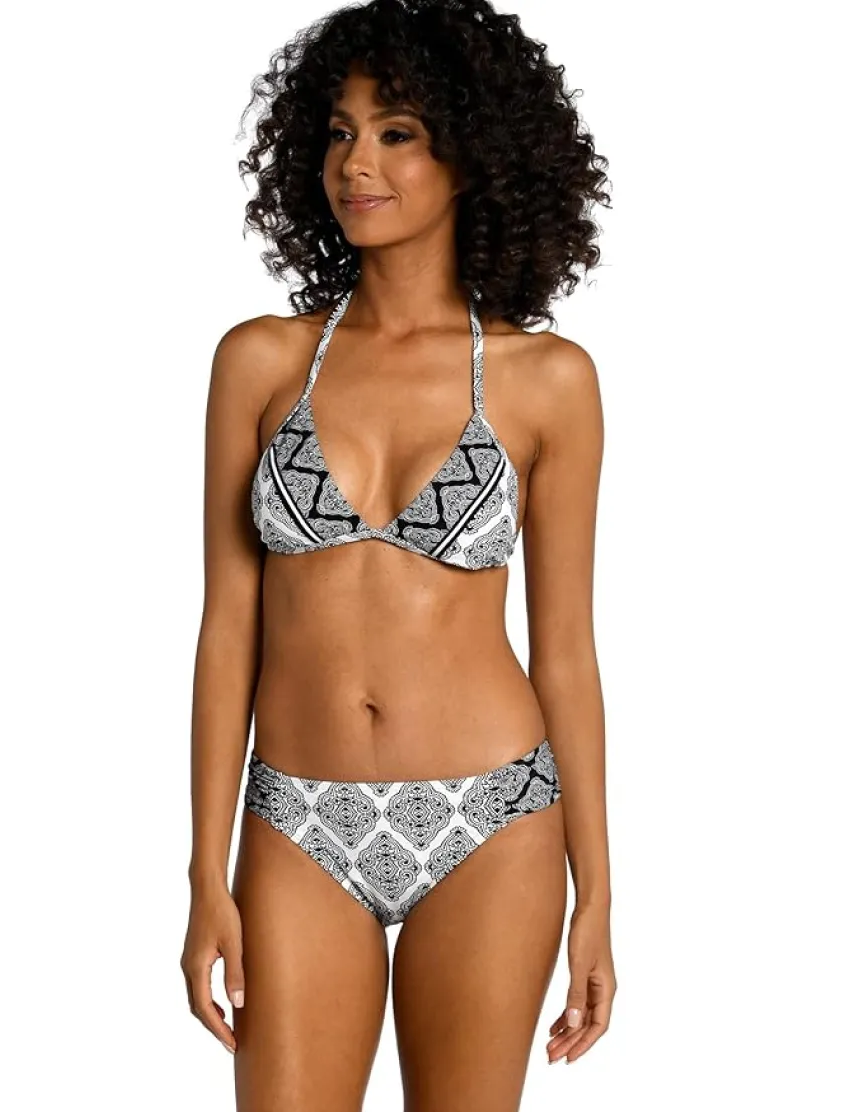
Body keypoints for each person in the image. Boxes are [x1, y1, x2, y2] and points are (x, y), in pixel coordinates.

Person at [181, 1, 615, 1108]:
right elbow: (227, 629)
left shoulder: (546, 381)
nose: (355, 163)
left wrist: (598, 897)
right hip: (295, 818)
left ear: (473, 154)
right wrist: (203, 872)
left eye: (396, 133)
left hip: (495, 819)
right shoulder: (260, 363)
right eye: (338, 132)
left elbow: (566, 651)